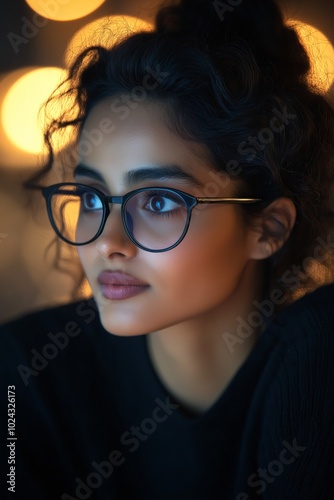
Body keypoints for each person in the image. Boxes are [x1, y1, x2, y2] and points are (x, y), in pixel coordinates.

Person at [1, 0, 334, 498]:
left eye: (157, 201)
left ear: (268, 228)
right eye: (93, 197)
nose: (107, 242)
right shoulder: (22, 373)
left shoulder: (318, 369)